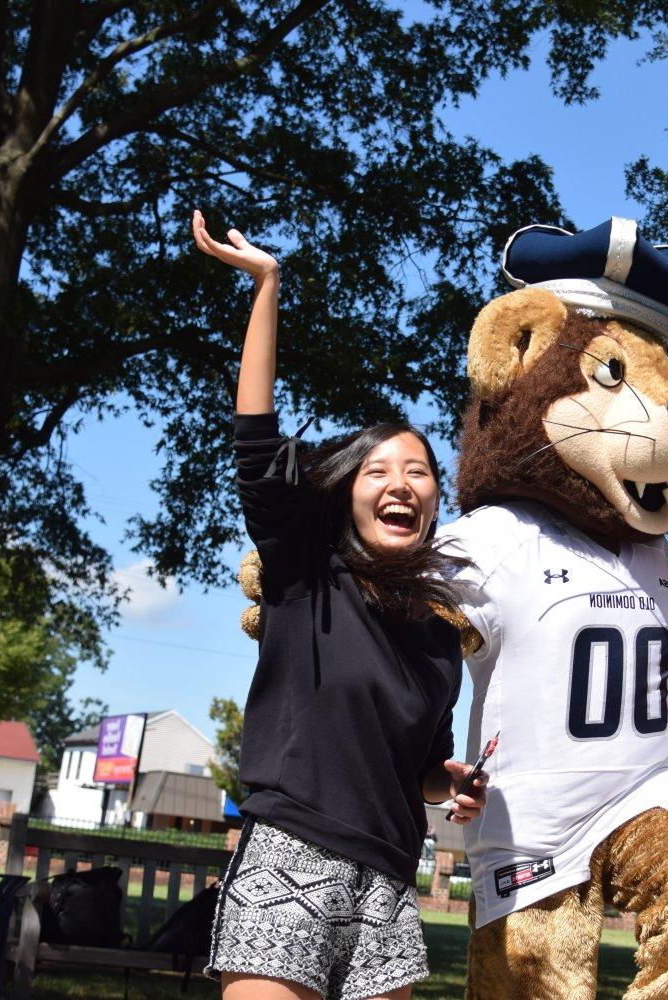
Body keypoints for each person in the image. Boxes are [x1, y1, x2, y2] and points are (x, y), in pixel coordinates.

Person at [191, 211, 486, 1000]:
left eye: (420, 472)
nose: (402, 483)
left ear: (434, 502)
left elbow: (423, 771)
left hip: (390, 880)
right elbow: (256, 442)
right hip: (290, 853)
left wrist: (448, 783)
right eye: (379, 470)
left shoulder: (438, 635)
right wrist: (267, 286)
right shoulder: (305, 574)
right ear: (347, 494)